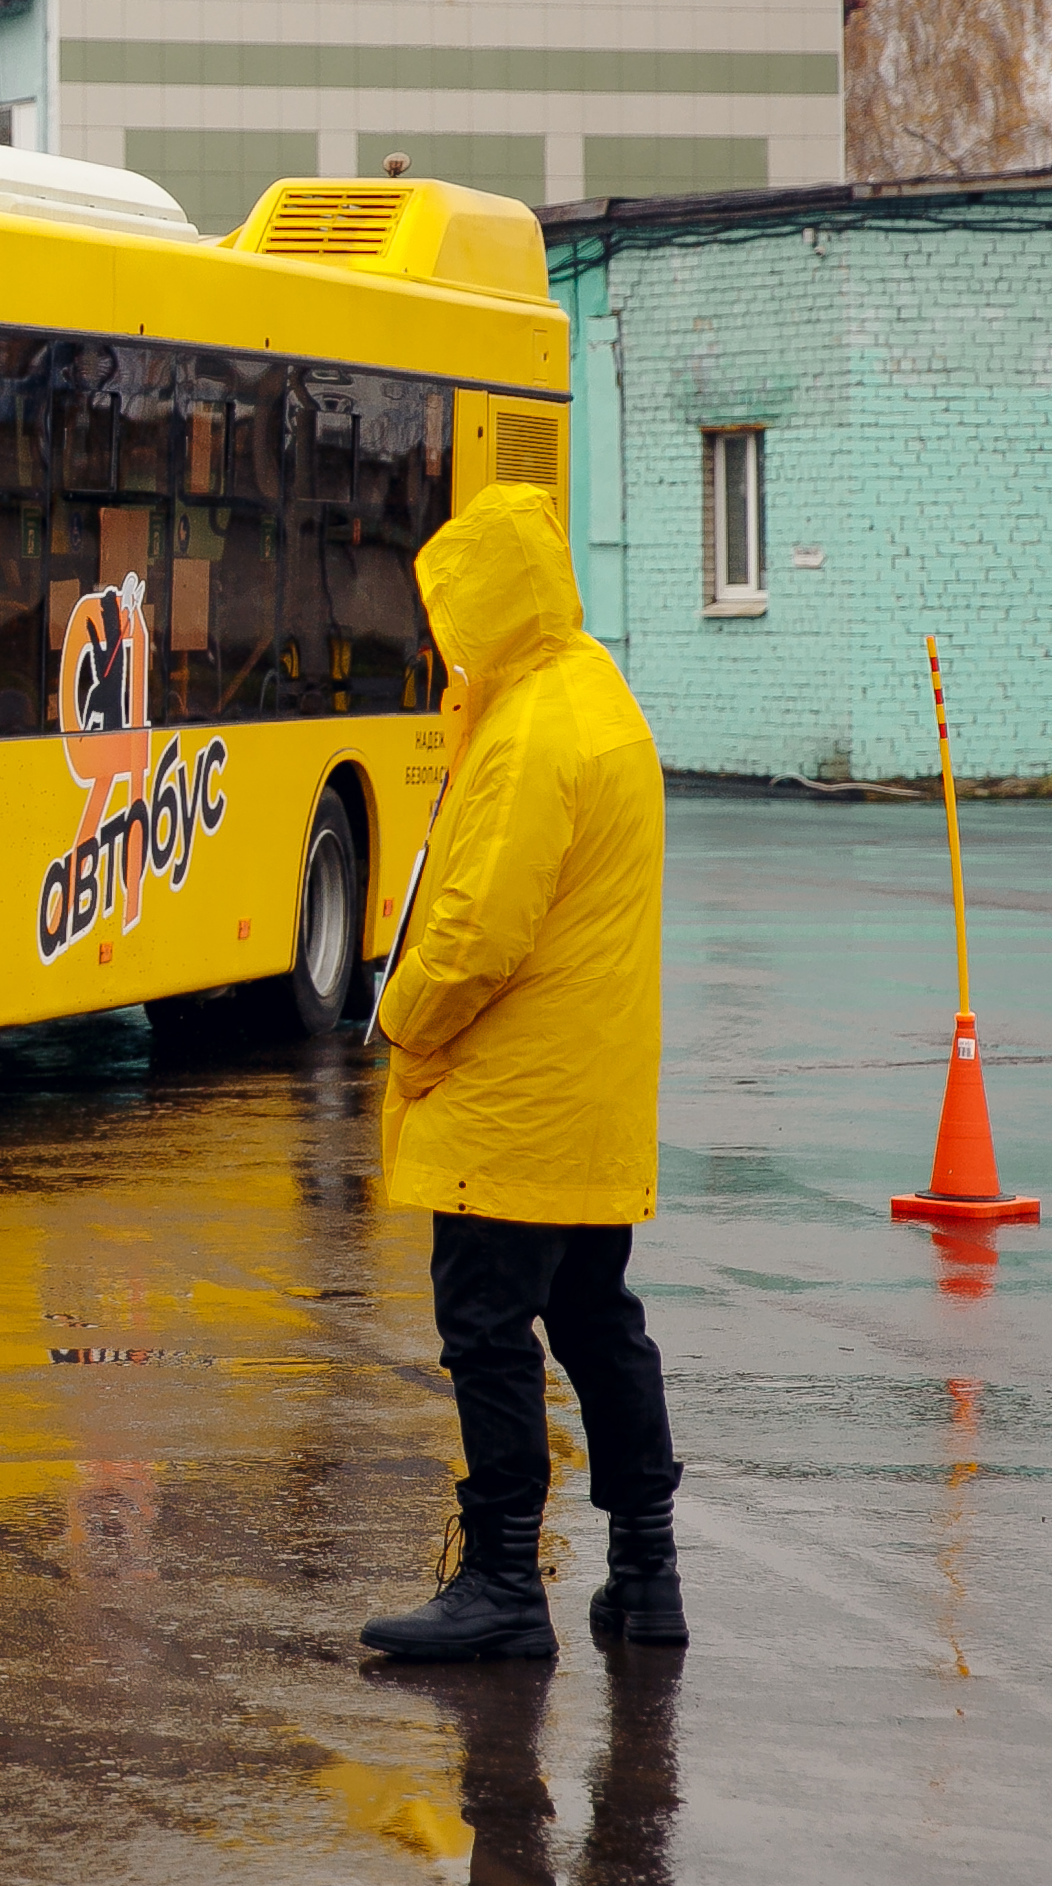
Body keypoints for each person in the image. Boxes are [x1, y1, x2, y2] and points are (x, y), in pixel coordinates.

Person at [361, 483, 684, 1662]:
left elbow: (474, 932)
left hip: (510, 1098)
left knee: (488, 1332)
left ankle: (502, 1581)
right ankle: (647, 1572)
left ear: (487, 603)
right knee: (599, 1320)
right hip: (588, 1098)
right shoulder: (598, 697)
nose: (440, 632)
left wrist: (401, 1026)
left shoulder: (529, 730)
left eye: (450, 608)